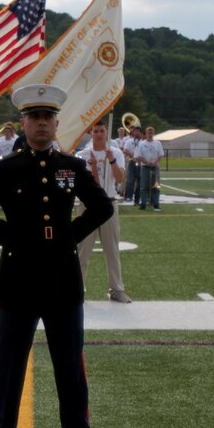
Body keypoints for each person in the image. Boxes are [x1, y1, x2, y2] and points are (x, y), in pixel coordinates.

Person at [0, 84, 113, 428]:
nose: (41, 124)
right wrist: (9, 237)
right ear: (24, 124)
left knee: (70, 366)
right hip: (18, 279)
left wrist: (69, 237)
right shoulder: (6, 168)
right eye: (34, 118)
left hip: (62, 279)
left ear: (56, 123)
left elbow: (102, 206)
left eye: (47, 118)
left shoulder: (71, 167)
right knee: (8, 367)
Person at [76, 119, 131, 303]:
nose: (99, 134)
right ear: (91, 133)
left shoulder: (115, 153)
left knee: (112, 250)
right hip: (88, 206)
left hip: (109, 203)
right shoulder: (83, 155)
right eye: (95, 131)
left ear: (106, 132)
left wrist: (112, 160)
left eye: (101, 130)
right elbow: (92, 186)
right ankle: (78, 288)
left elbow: (120, 178)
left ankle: (116, 290)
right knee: (82, 250)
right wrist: (92, 166)